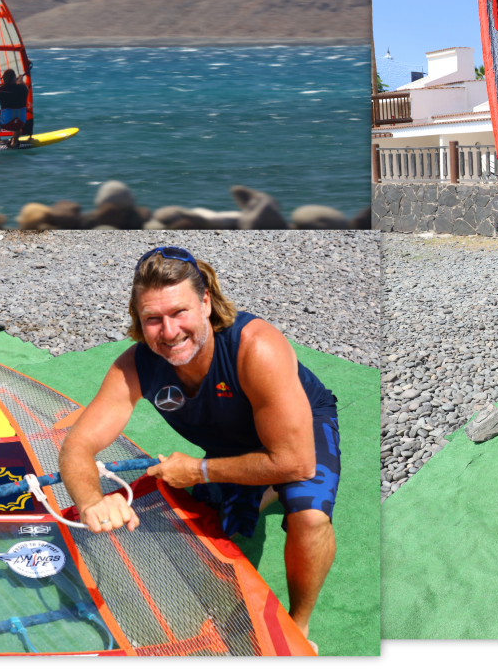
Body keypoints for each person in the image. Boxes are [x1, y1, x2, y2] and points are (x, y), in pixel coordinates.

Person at [57, 246, 340, 648]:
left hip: (300, 432)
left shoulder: (255, 346)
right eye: (152, 319)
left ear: (206, 301)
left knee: (309, 517)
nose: (169, 332)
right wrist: (90, 501)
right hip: (230, 441)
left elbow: (295, 460)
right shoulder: (135, 365)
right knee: (197, 524)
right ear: (139, 319)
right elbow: (78, 445)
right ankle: (263, 491)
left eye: (179, 312)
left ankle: (300, 624)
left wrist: (201, 471)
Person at [0, 68, 31, 149]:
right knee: (17, 122)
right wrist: (21, 80)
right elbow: (24, 87)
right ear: (14, 78)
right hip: (21, 123)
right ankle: (14, 142)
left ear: (3, 79)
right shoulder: (23, 88)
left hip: (5, 123)